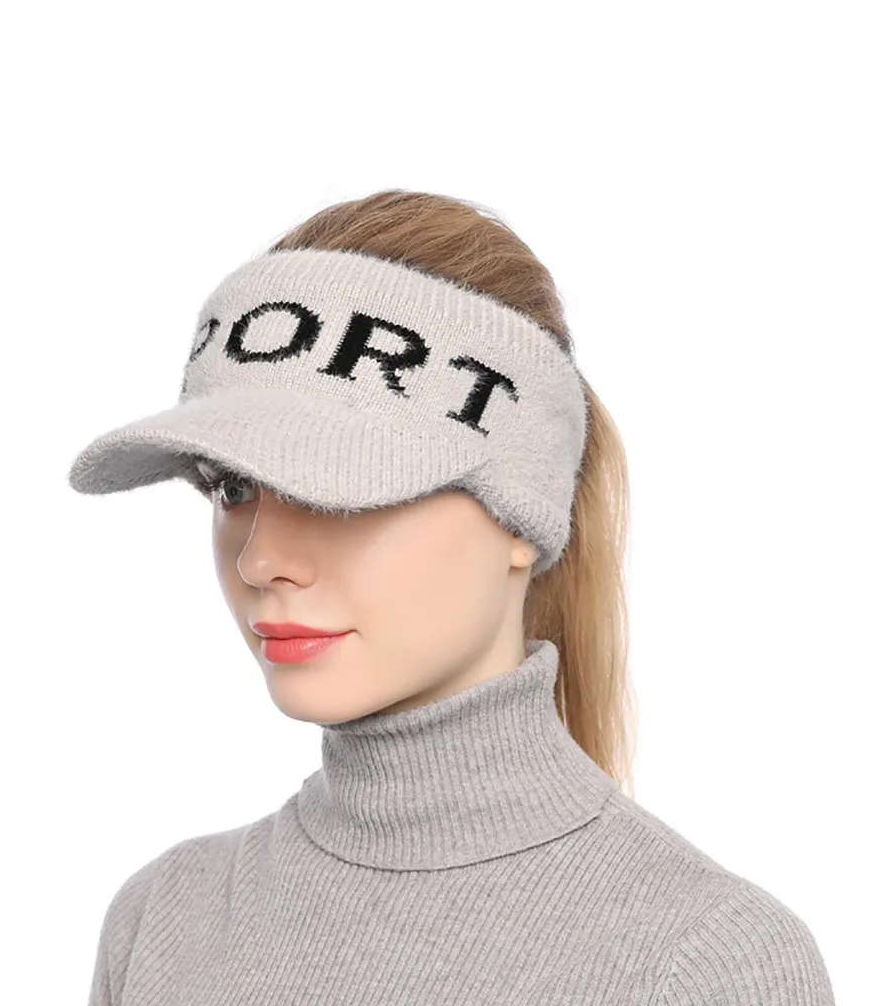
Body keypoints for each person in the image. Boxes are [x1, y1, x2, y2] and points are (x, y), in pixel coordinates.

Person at [68, 190, 836, 1004]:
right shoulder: (164, 923)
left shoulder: (713, 964)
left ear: (521, 513)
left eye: (340, 483)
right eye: (231, 487)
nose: (260, 559)